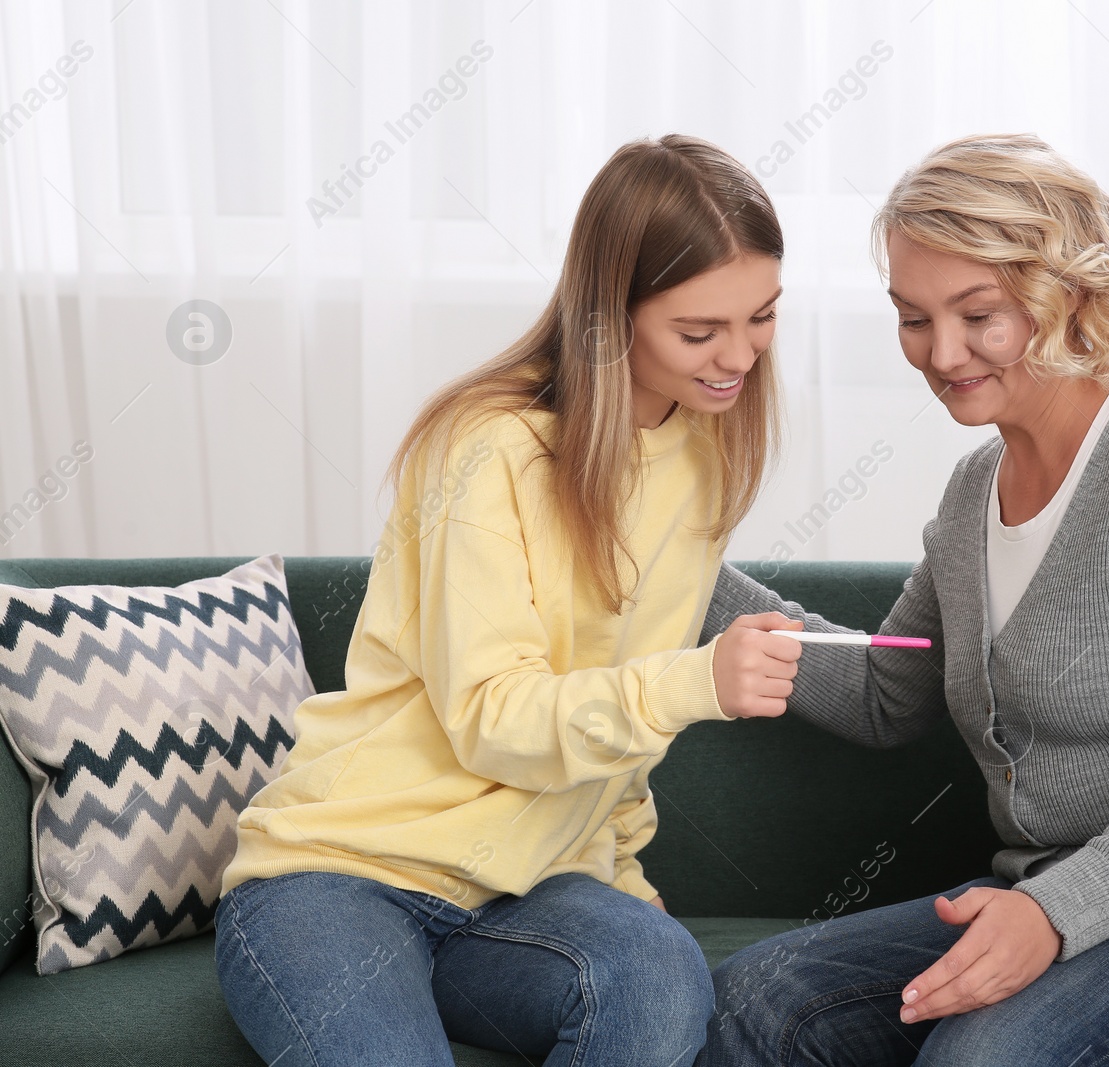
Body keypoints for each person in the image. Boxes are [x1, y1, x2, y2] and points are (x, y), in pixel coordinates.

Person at [695, 134, 1109, 1067]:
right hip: (1059, 890)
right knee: (755, 999)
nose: (941, 353)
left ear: (1068, 291)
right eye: (913, 318)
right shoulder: (975, 490)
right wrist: (683, 568)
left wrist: (1051, 914)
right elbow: (887, 693)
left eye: (979, 314)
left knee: (984, 1057)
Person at [213, 133, 805, 1067]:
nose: (739, 356)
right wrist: (697, 680)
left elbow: (612, 689)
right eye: (700, 332)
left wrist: (619, 866)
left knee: (657, 972)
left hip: (523, 897)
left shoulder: (703, 451)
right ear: (614, 316)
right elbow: (493, 716)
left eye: (763, 316)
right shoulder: (491, 448)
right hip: (341, 875)